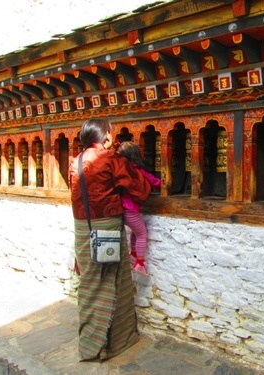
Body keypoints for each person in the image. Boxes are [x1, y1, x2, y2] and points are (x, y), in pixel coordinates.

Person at [69, 118, 151, 362]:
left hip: (83, 230)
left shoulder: (76, 161)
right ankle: (112, 344)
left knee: (90, 283)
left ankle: (90, 343)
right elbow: (140, 190)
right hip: (107, 229)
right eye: (111, 134)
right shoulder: (111, 159)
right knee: (114, 282)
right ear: (104, 136)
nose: (112, 138)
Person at [116, 141, 161, 276]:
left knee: (135, 232)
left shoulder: (122, 170)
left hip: (121, 208)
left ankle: (133, 255)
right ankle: (140, 264)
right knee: (142, 233)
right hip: (130, 209)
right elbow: (155, 182)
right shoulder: (137, 171)